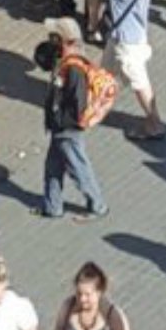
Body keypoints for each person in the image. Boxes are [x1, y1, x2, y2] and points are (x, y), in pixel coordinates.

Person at [86, 0, 165, 142]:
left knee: (139, 81)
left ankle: (154, 122)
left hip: (127, 39)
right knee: (106, 72)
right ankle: (96, 107)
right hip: (130, 30)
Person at [39, 17, 109, 218]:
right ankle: (52, 207)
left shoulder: (75, 68)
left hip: (67, 128)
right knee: (53, 167)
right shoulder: (65, 62)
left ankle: (98, 205)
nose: (49, 39)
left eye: (53, 36)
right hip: (59, 127)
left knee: (78, 167)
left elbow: (77, 103)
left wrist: (61, 121)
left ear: (64, 39)